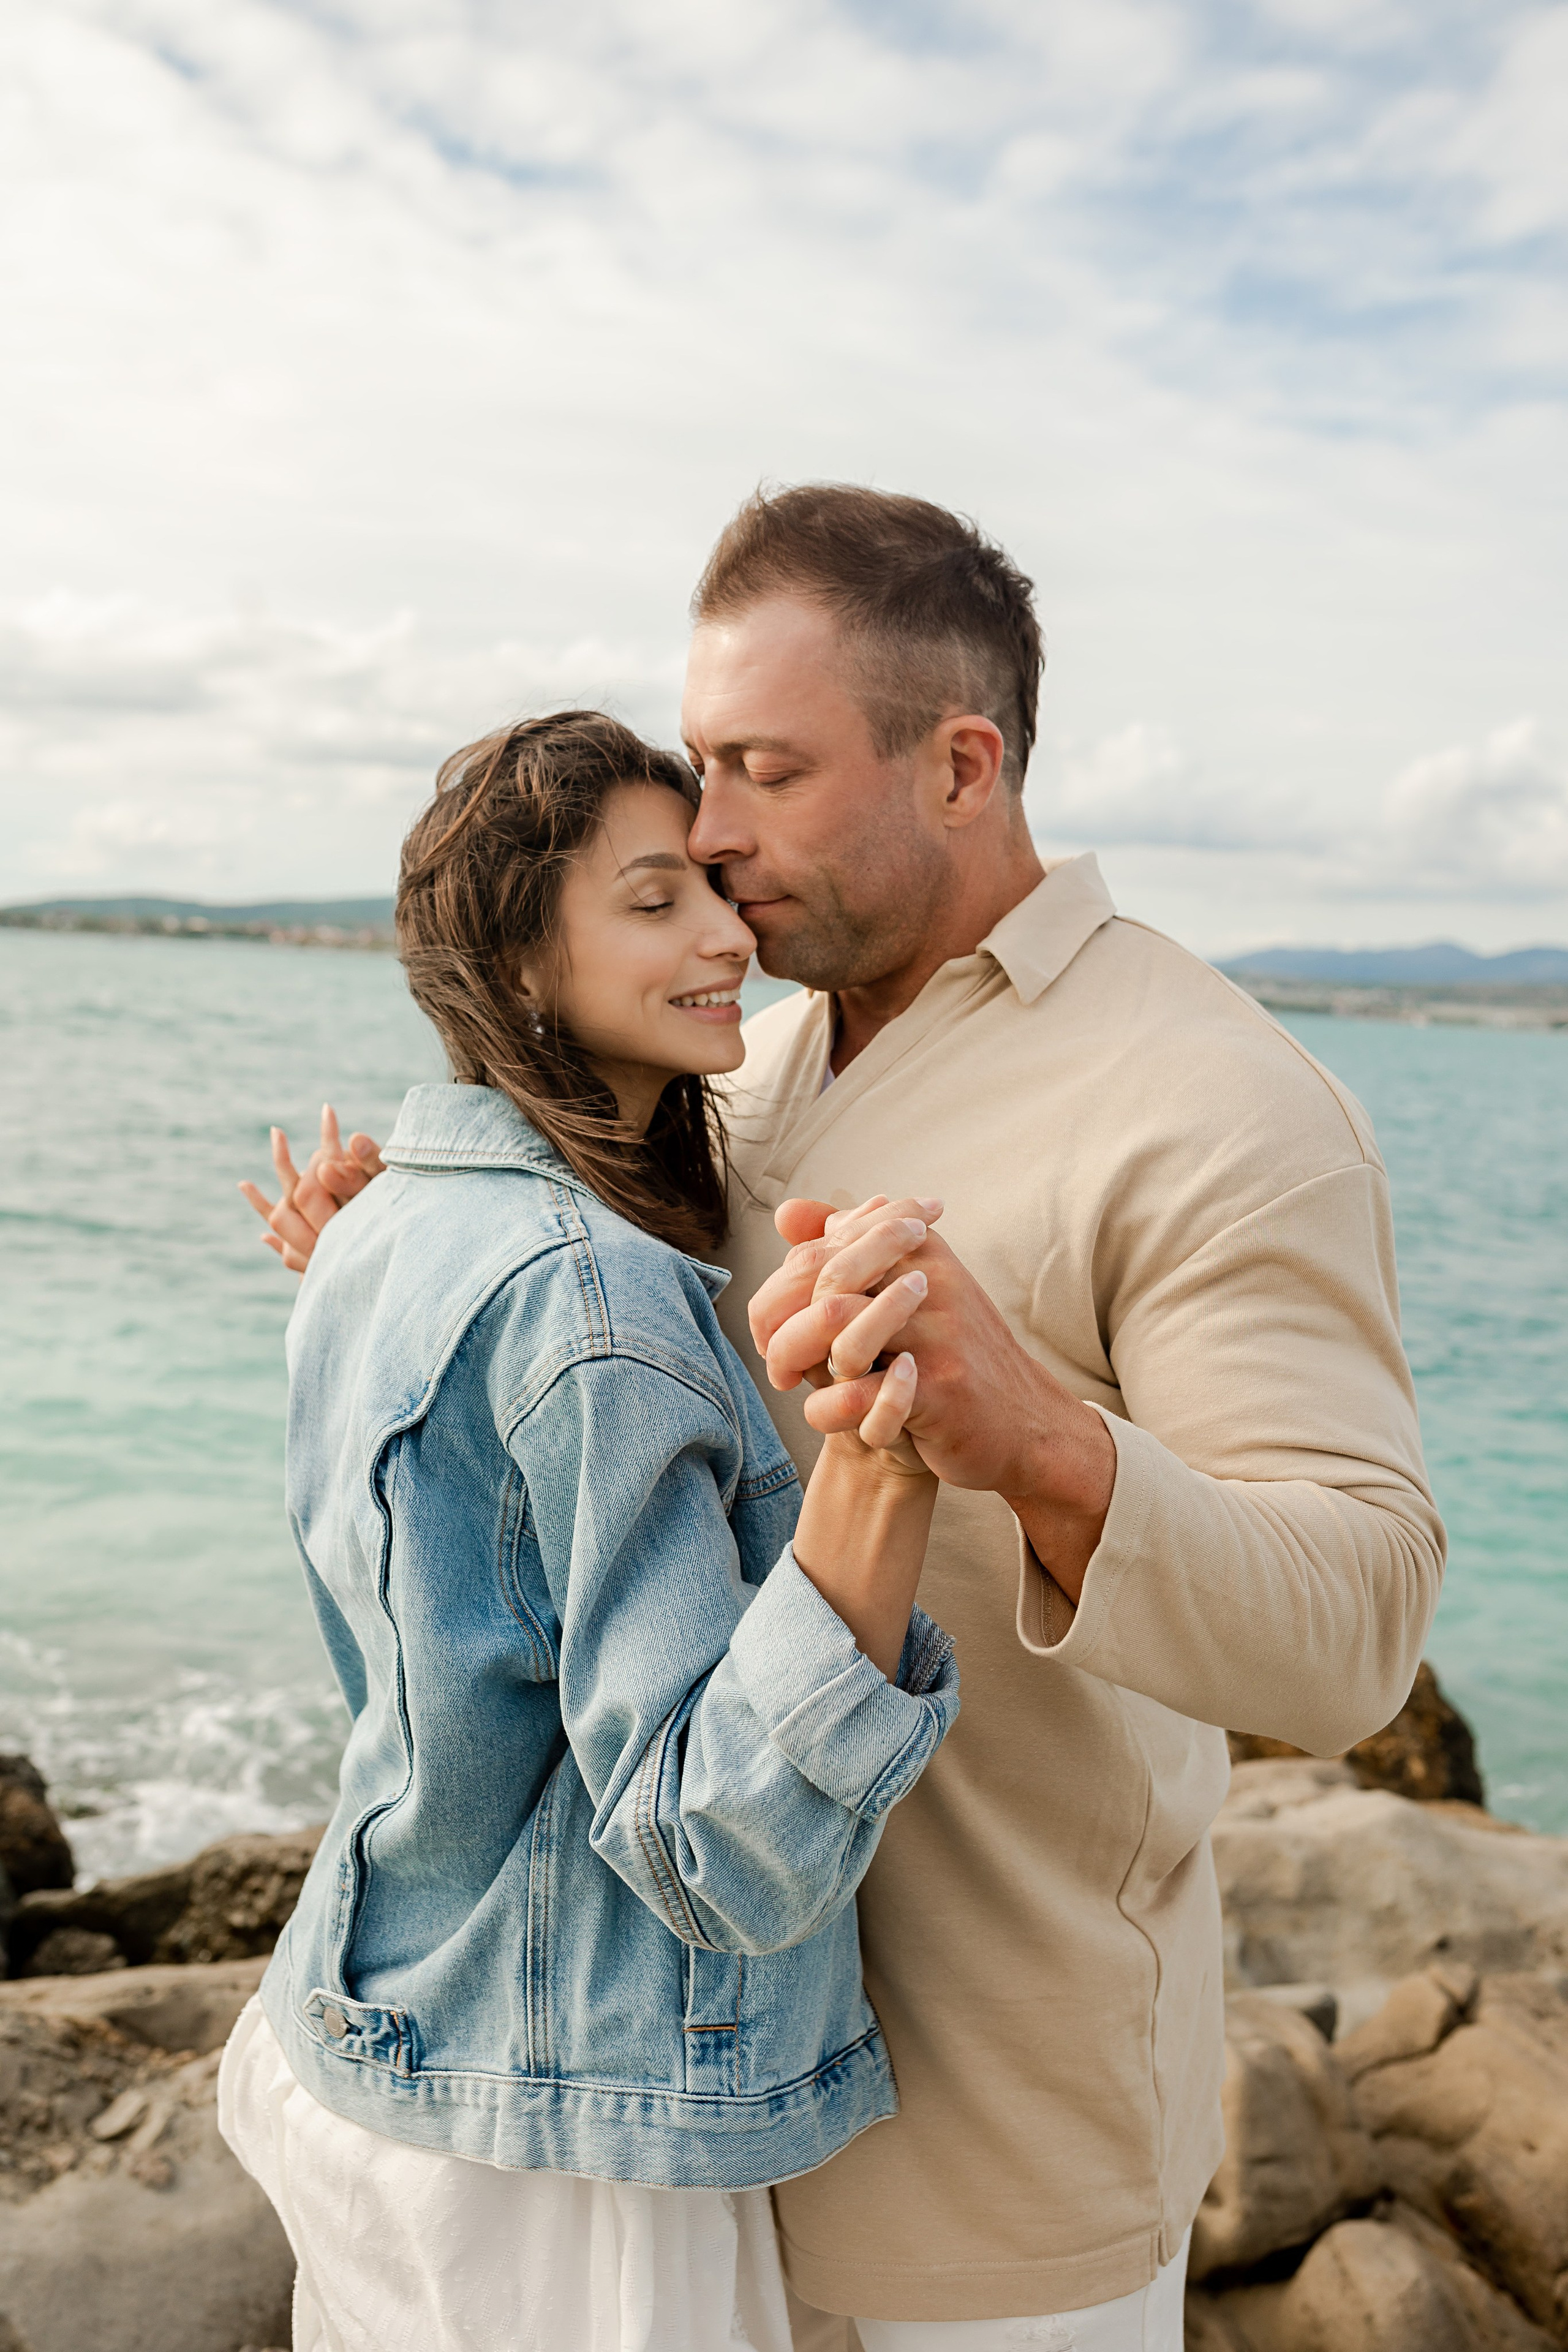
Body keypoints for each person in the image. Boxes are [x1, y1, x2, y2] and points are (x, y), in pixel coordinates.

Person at [265, 486, 1444, 2350]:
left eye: (762, 771)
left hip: (990, 2175)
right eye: (701, 774)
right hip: (662, 2131)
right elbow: (621, 1415)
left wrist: (1042, 1443)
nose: (712, 835)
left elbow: (1361, 1625)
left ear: (961, 763)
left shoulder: (1217, 1103)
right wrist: (430, 1284)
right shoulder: (756, 1050)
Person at [224, 709, 966, 2352]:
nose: (728, 937)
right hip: (551, 2164)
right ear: (524, 963)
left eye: (714, 886)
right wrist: (885, 1467)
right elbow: (708, 1845)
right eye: (654, 903)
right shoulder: (592, 1292)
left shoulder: (392, 1230)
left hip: (370, 2029)